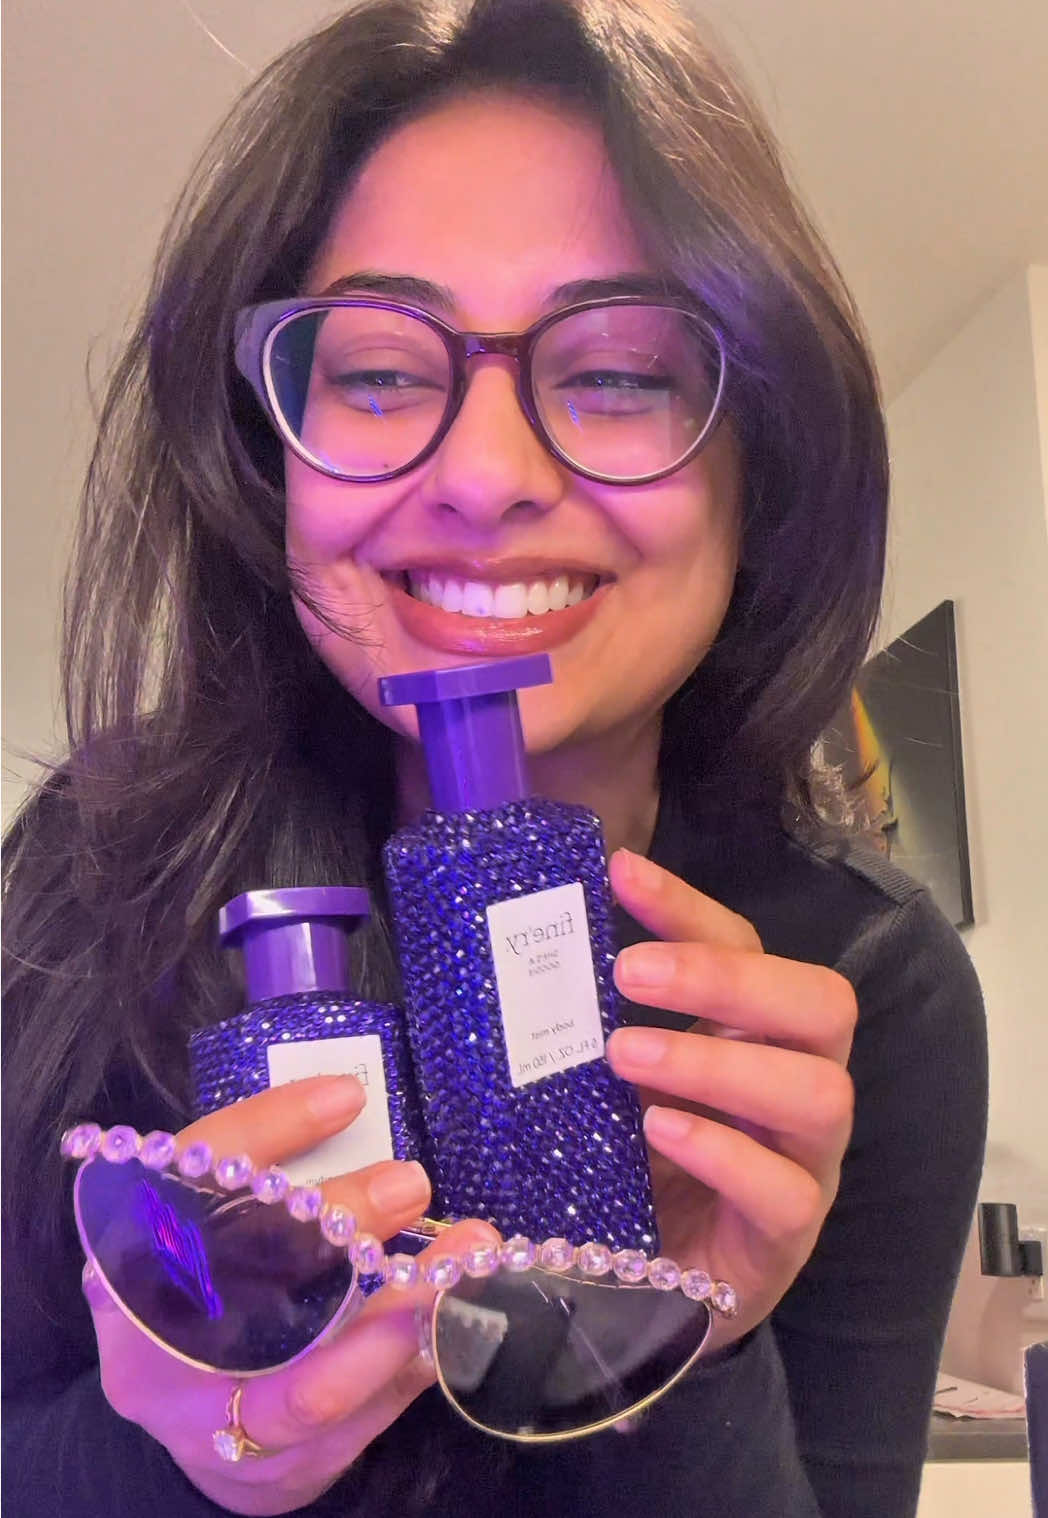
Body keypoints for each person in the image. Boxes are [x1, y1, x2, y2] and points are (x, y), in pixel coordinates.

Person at [1, 2, 987, 1515]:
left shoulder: (859, 983)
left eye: (622, 374)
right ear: (270, 460)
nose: (481, 476)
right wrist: (187, 1454)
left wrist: (683, 1348)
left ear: (765, 460)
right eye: (380, 374)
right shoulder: (101, 871)